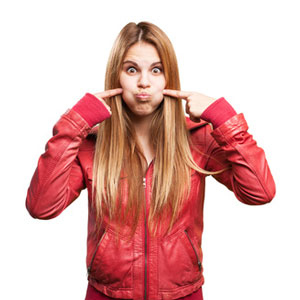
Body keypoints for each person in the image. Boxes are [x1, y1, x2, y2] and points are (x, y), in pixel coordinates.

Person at [26, 21, 276, 300]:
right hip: (105, 294)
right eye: (131, 69)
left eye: (156, 70)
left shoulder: (197, 138)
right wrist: (73, 125)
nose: (144, 82)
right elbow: (41, 207)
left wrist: (223, 117)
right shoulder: (90, 144)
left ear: (169, 78)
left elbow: (260, 192)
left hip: (183, 294)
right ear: (116, 77)